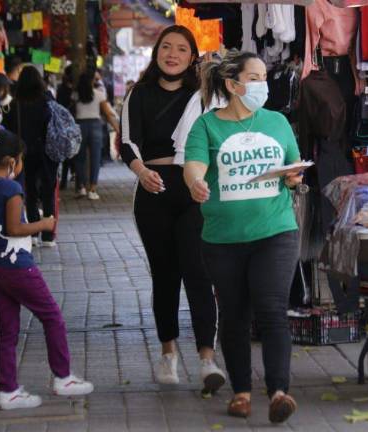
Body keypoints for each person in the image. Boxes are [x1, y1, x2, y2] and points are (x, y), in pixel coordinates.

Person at [183, 50, 304, 423]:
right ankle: (241, 392)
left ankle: (279, 391)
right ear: (233, 85)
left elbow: (293, 166)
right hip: (223, 238)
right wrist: (197, 184)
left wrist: (293, 176)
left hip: (276, 230)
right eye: (254, 77)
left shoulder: (278, 122)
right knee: (234, 314)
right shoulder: (207, 126)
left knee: (271, 308)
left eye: (264, 76)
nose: (262, 84)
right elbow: (194, 167)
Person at [120, 25, 225, 393]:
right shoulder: (139, 94)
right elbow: (127, 142)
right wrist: (142, 171)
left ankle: (207, 359)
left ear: (192, 56)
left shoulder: (204, 95)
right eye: (167, 47)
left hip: (193, 190)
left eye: (182, 49)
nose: (173, 54)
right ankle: (168, 353)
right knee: (165, 275)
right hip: (152, 191)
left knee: (198, 273)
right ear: (157, 53)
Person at [0, 130, 93, 409]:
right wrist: (44, 224)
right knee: (52, 317)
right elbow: (15, 228)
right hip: (18, 267)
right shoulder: (11, 189)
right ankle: (63, 377)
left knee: (7, 330)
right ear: (12, 161)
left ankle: (9, 390)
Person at [3, 66, 57, 247]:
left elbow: (8, 129)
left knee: (30, 192)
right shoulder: (47, 101)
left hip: (23, 153)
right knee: (48, 191)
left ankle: (33, 233)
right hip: (46, 152)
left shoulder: (14, 104)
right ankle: (49, 236)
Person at [73, 68, 120, 200]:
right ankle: (92, 190)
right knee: (95, 158)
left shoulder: (76, 95)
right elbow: (108, 113)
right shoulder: (99, 94)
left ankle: (81, 187)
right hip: (95, 126)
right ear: (91, 81)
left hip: (79, 126)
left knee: (79, 158)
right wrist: (117, 128)